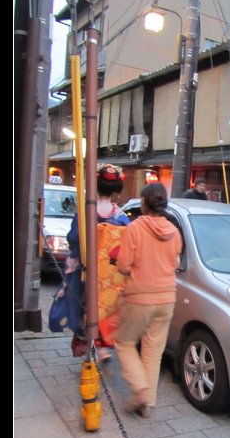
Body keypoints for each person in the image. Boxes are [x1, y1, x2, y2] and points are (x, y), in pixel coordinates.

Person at [114, 182, 183, 418]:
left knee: (124, 342)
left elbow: (123, 267)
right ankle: (148, 404)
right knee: (153, 350)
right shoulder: (174, 233)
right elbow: (174, 263)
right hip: (167, 298)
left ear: (143, 203)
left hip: (139, 297)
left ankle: (140, 390)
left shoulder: (135, 228)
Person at [56, 164, 130, 360]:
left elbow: (73, 238)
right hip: (111, 273)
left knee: (84, 304)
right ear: (115, 188)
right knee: (107, 307)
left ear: (96, 184)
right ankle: (103, 346)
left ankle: (87, 343)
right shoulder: (121, 217)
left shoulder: (86, 212)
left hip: (87, 268)